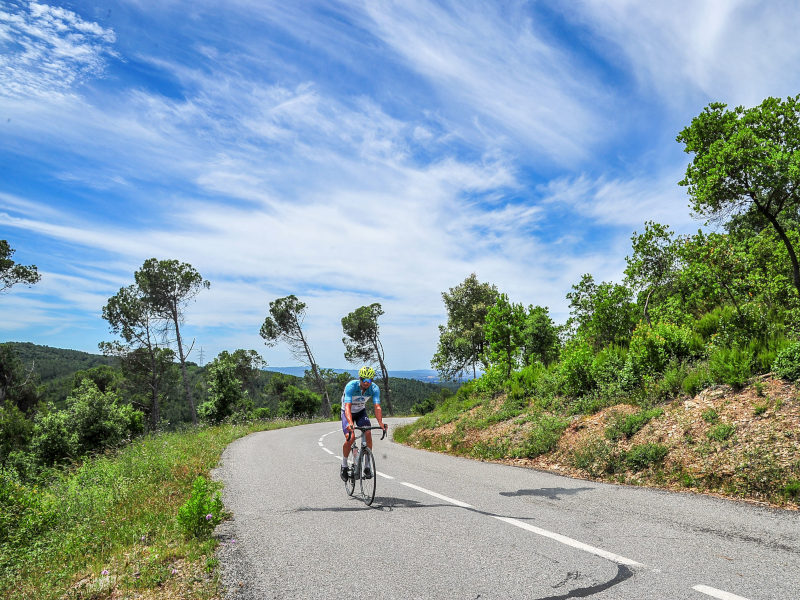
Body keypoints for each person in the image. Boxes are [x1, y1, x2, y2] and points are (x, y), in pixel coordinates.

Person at [340, 366, 387, 481]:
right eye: (364, 380)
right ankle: (344, 465)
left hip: (361, 412)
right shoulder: (351, 386)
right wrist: (350, 423)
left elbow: (377, 406)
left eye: (369, 380)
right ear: (360, 379)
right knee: (350, 438)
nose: (367, 383)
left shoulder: (374, 388)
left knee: (368, 433)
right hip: (347, 412)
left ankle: (367, 466)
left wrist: (380, 422)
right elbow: (347, 406)